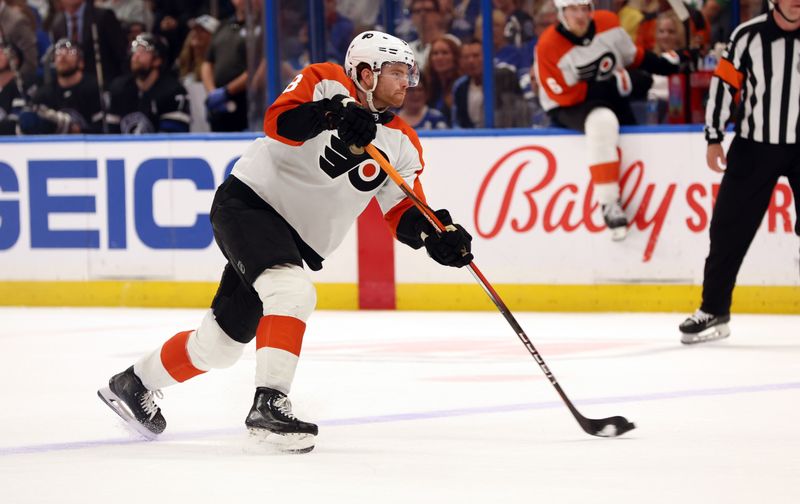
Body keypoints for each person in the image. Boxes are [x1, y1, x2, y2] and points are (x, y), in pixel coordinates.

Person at [97, 30, 474, 453]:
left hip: (291, 241)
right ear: (366, 73)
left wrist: (435, 236)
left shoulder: (402, 141)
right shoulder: (327, 80)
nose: (407, 81)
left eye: (410, 73)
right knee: (291, 291)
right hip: (250, 205)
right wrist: (331, 113)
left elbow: (402, 211)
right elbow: (279, 122)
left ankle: (133, 382)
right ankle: (269, 404)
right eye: (397, 72)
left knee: (219, 346)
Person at [678, 0, 800, 344]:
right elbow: (723, 86)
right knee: (727, 228)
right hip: (754, 145)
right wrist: (714, 137)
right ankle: (713, 309)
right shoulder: (747, 35)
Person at [534, 0, 686, 240]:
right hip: (567, 104)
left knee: (633, 134)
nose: (581, 15)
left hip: (607, 95)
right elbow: (563, 94)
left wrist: (668, 65)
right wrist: (616, 85)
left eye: (585, 8)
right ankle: (608, 203)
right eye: (573, 10)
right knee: (602, 121)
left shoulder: (607, 22)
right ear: (562, 13)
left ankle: (648, 202)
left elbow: (633, 56)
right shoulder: (548, 46)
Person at [107, 33, 190, 134]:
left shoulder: (173, 92)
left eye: (143, 51)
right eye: (134, 51)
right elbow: (112, 135)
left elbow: (171, 140)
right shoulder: (119, 88)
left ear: (157, 60)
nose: (136, 56)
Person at [18, 38, 102, 134]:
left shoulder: (94, 88)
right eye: (58, 53)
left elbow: (103, 129)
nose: (63, 56)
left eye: (70, 52)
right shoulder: (44, 94)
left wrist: (75, 130)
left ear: (81, 62)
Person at [452, 37, 528, 128]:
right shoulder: (460, 87)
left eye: (476, 56)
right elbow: (458, 121)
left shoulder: (505, 78)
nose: (471, 61)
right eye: (466, 57)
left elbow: (519, 111)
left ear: (489, 57)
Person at [50, 0, 128, 85]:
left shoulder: (102, 16)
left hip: (103, 82)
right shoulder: (57, 23)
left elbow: (121, 53)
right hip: (74, 87)